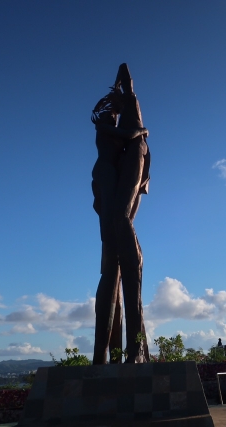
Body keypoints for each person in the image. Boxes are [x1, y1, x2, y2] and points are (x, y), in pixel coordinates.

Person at [91, 74, 150, 365]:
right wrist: (142, 130)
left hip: (111, 177)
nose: (114, 115)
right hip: (105, 176)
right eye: (112, 112)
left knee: (119, 231)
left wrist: (125, 88)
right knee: (114, 243)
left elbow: (129, 91)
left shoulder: (127, 140)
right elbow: (129, 134)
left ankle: (128, 351)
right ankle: (106, 353)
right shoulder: (105, 127)